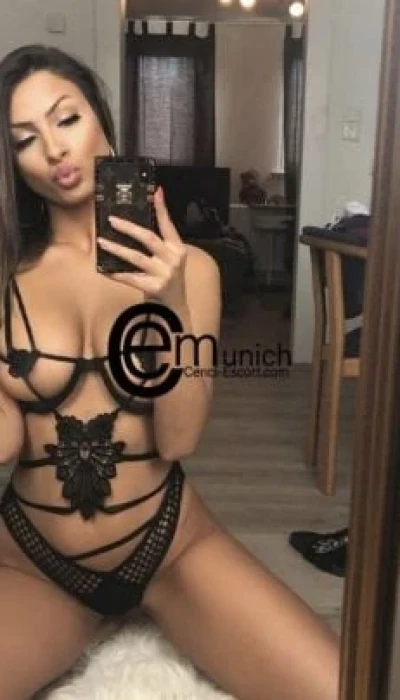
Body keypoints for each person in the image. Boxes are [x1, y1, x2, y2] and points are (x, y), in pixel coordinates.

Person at [0, 44, 339, 700]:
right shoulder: (7, 277)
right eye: (25, 139)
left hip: (168, 545)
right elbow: (7, 442)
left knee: (337, 686)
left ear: (101, 120)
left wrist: (172, 305)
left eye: (66, 118)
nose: (55, 149)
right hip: (33, 561)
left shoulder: (193, 270)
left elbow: (179, 439)